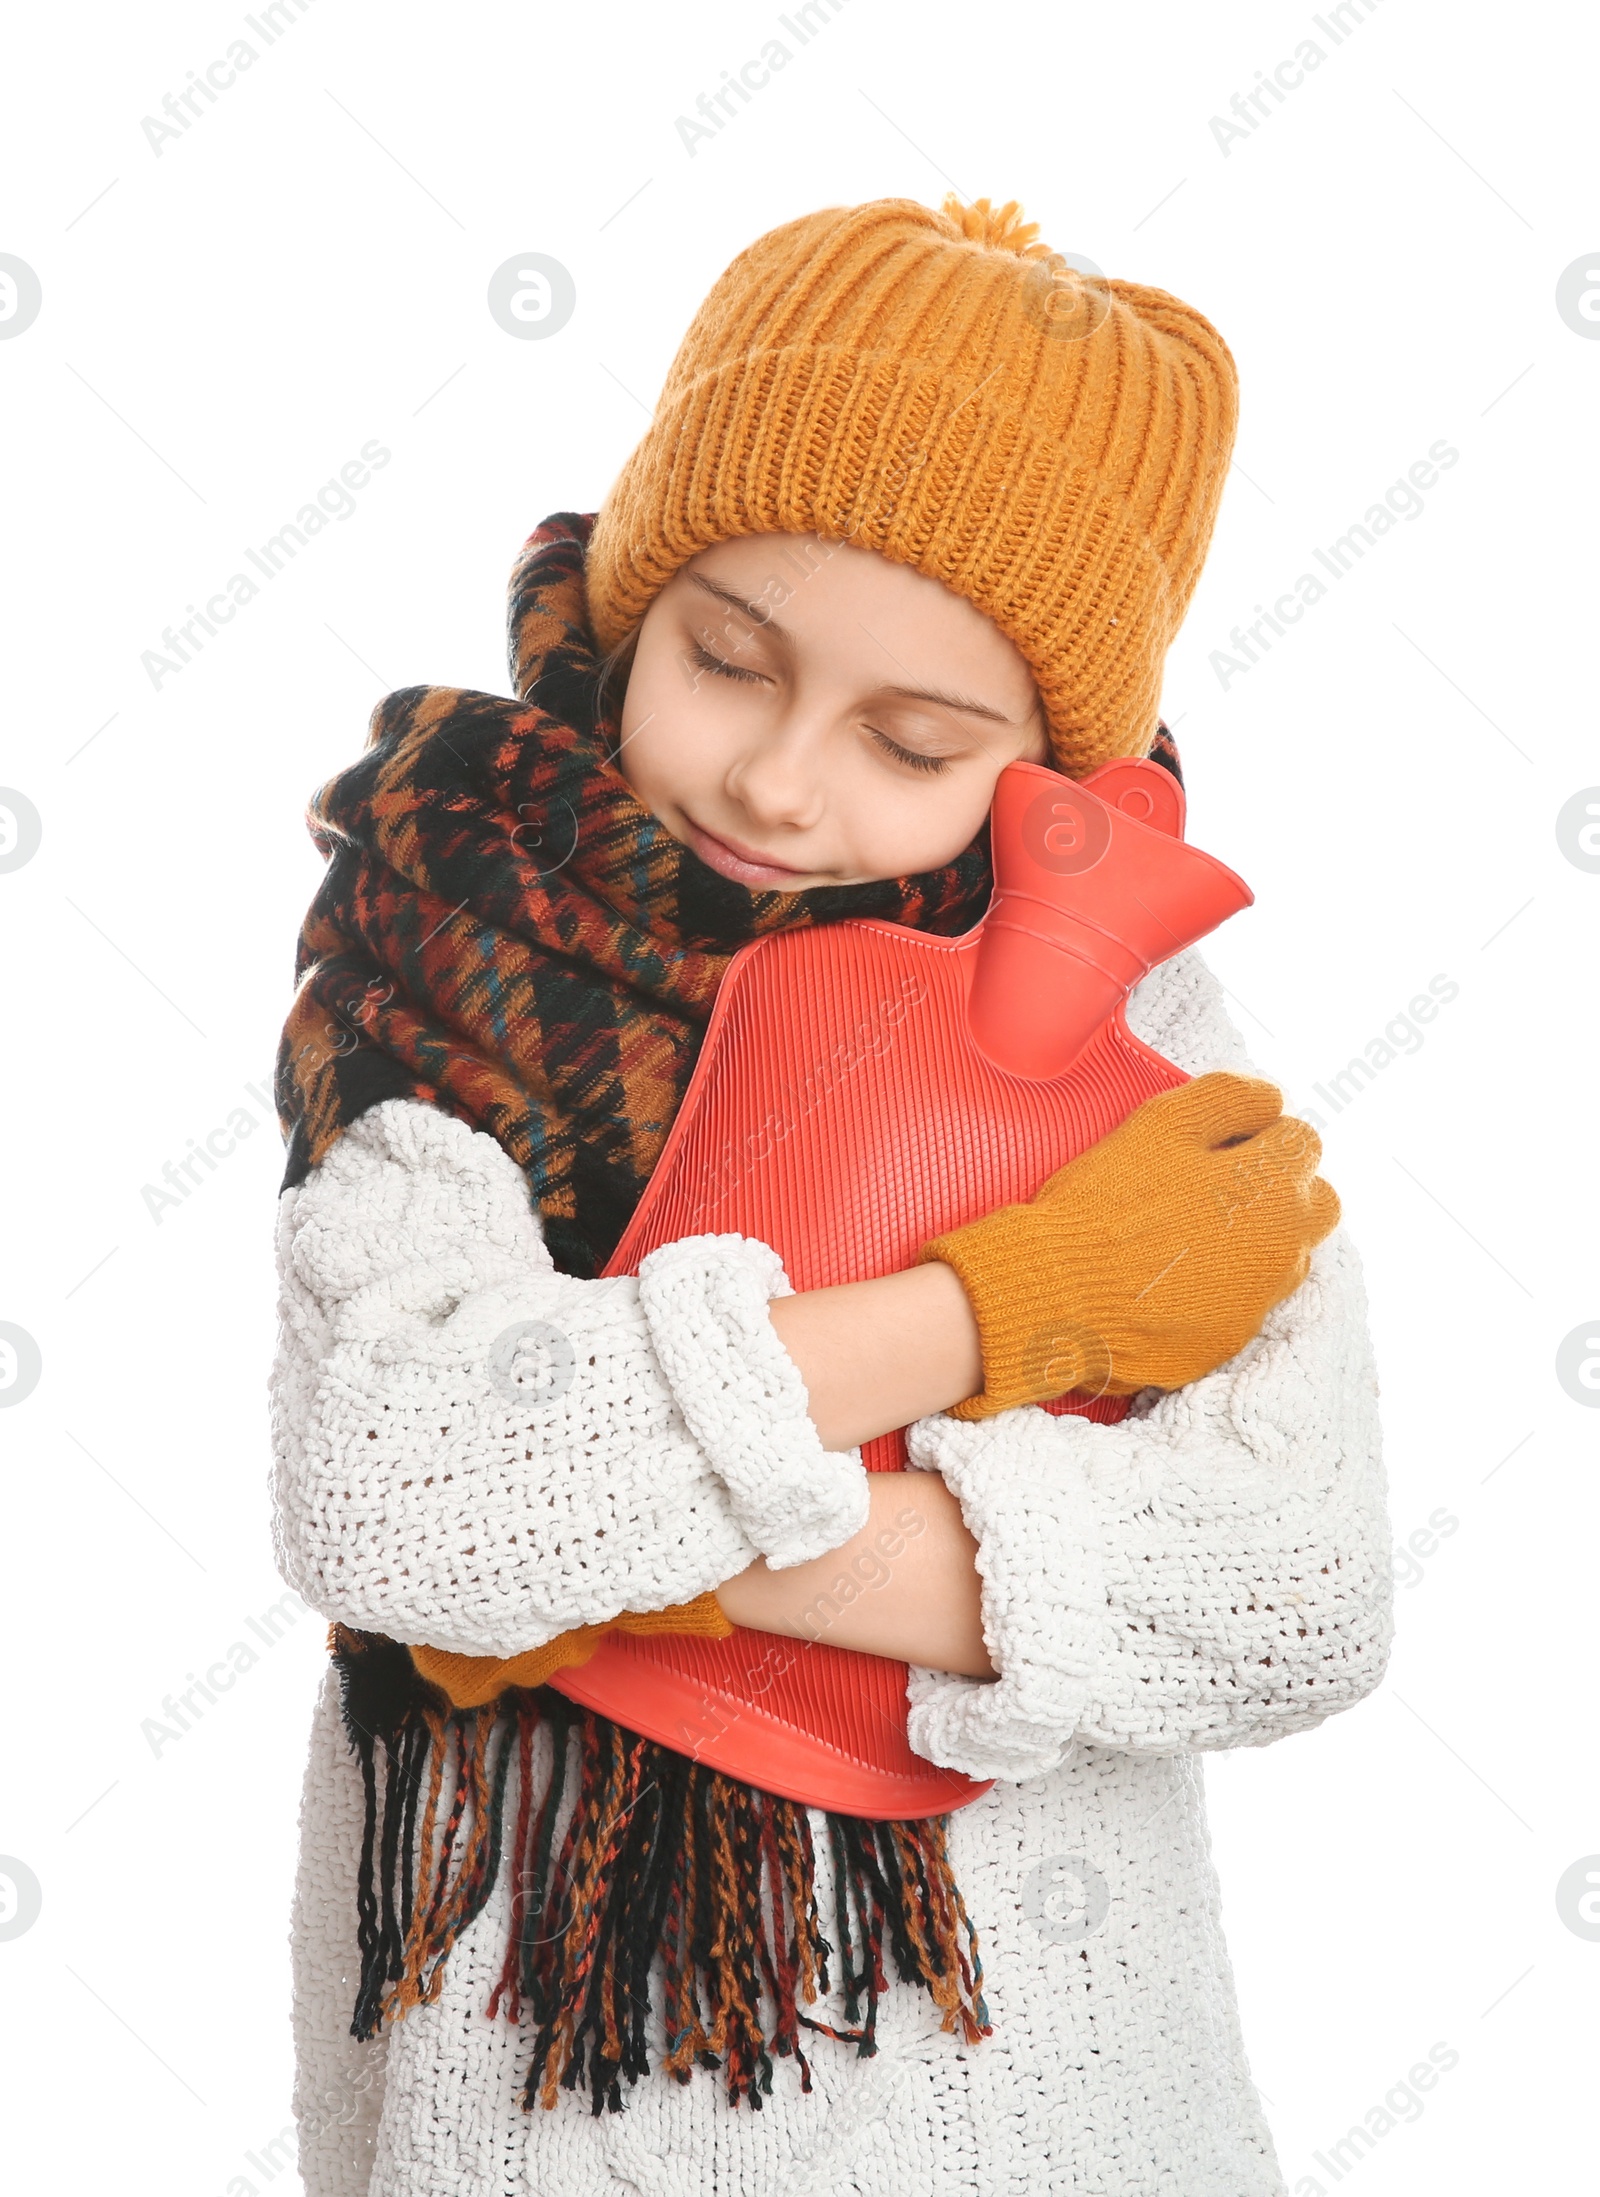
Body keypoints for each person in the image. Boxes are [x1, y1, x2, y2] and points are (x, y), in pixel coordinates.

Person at [270, 193, 1394, 2196]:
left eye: (911, 739)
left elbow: (1288, 1592)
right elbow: (391, 1489)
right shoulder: (446, 953)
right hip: (523, 2111)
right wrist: (1002, 1310)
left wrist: (593, 1563)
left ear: (1052, 763)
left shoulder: (1139, 1030)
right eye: (724, 658)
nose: (781, 784)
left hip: (1039, 2101)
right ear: (630, 602)